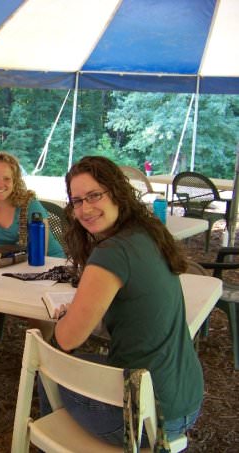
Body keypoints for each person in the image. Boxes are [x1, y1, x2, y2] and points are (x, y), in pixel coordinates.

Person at [44, 156, 201, 445]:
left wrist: (67, 318)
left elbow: (67, 339)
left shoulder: (112, 252)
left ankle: (54, 445)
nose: (85, 209)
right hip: (184, 399)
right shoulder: (148, 233)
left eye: (94, 196)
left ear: (116, 193)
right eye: (77, 201)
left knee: (48, 373)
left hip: (148, 417)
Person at [0, 151, 65, 258]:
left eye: (7, 179)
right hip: (8, 262)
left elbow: (41, 254)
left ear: (15, 182)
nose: (1, 184)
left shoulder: (31, 205)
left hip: (48, 260)